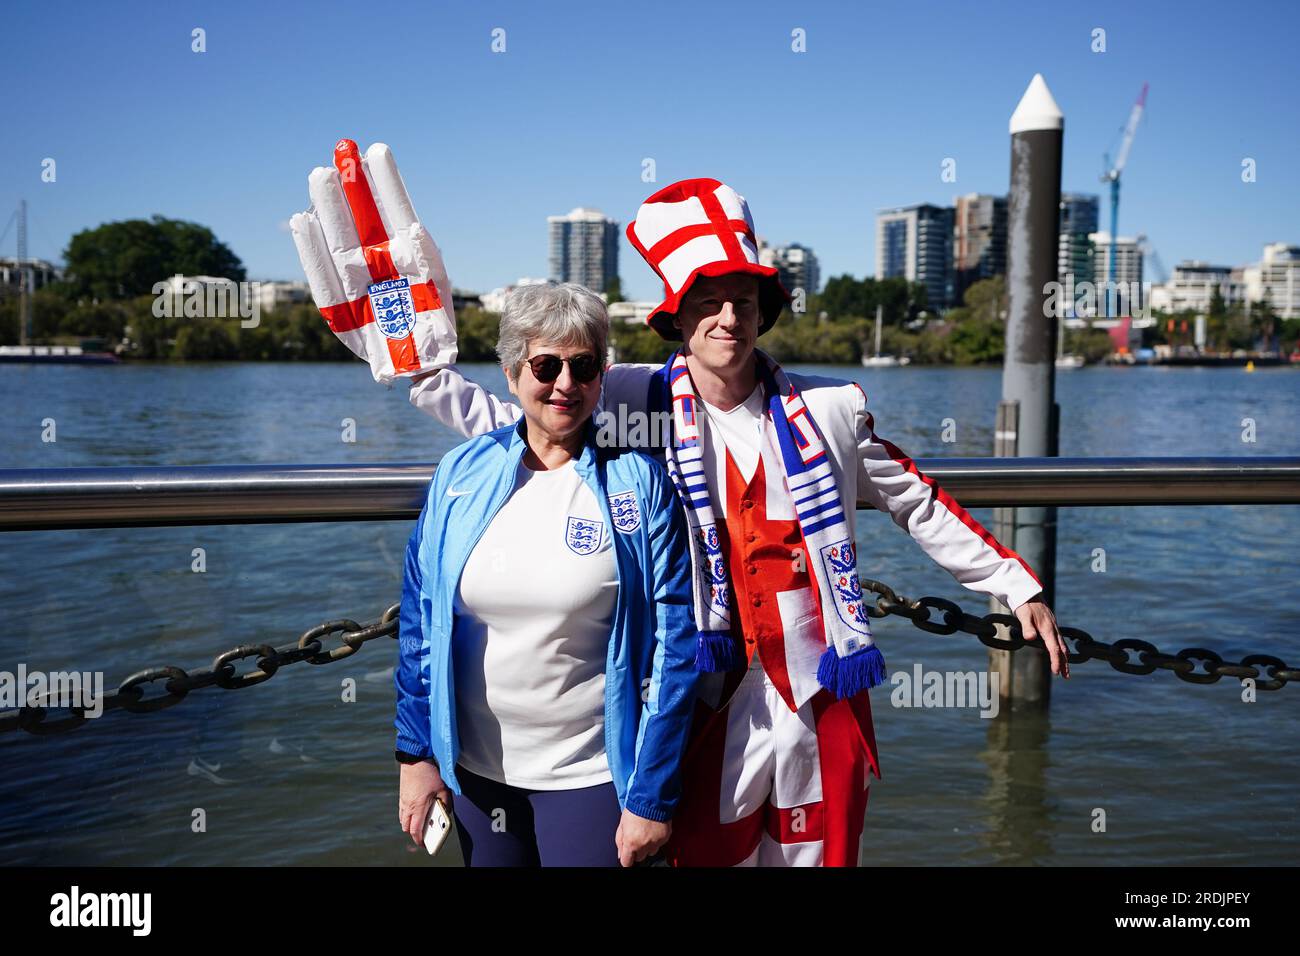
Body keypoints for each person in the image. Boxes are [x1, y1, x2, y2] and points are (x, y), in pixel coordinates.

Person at [291, 144, 1070, 867]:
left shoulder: (830, 409)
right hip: (707, 694)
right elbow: (525, 414)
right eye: (709, 302)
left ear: (765, 311)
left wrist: (1015, 584)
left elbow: (915, 500)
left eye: (744, 299)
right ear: (678, 319)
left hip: (818, 691)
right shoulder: (636, 397)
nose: (729, 317)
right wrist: (415, 360)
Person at [391, 282, 700, 866]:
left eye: (583, 366)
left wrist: (652, 798)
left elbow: (674, 652)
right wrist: (416, 755)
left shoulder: (638, 483)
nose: (565, 384)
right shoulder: (462, 472)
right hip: (476, 774)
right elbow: (420, 619)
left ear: (601, 377)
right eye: (545, 364)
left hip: (592, 776)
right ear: (511, 374)